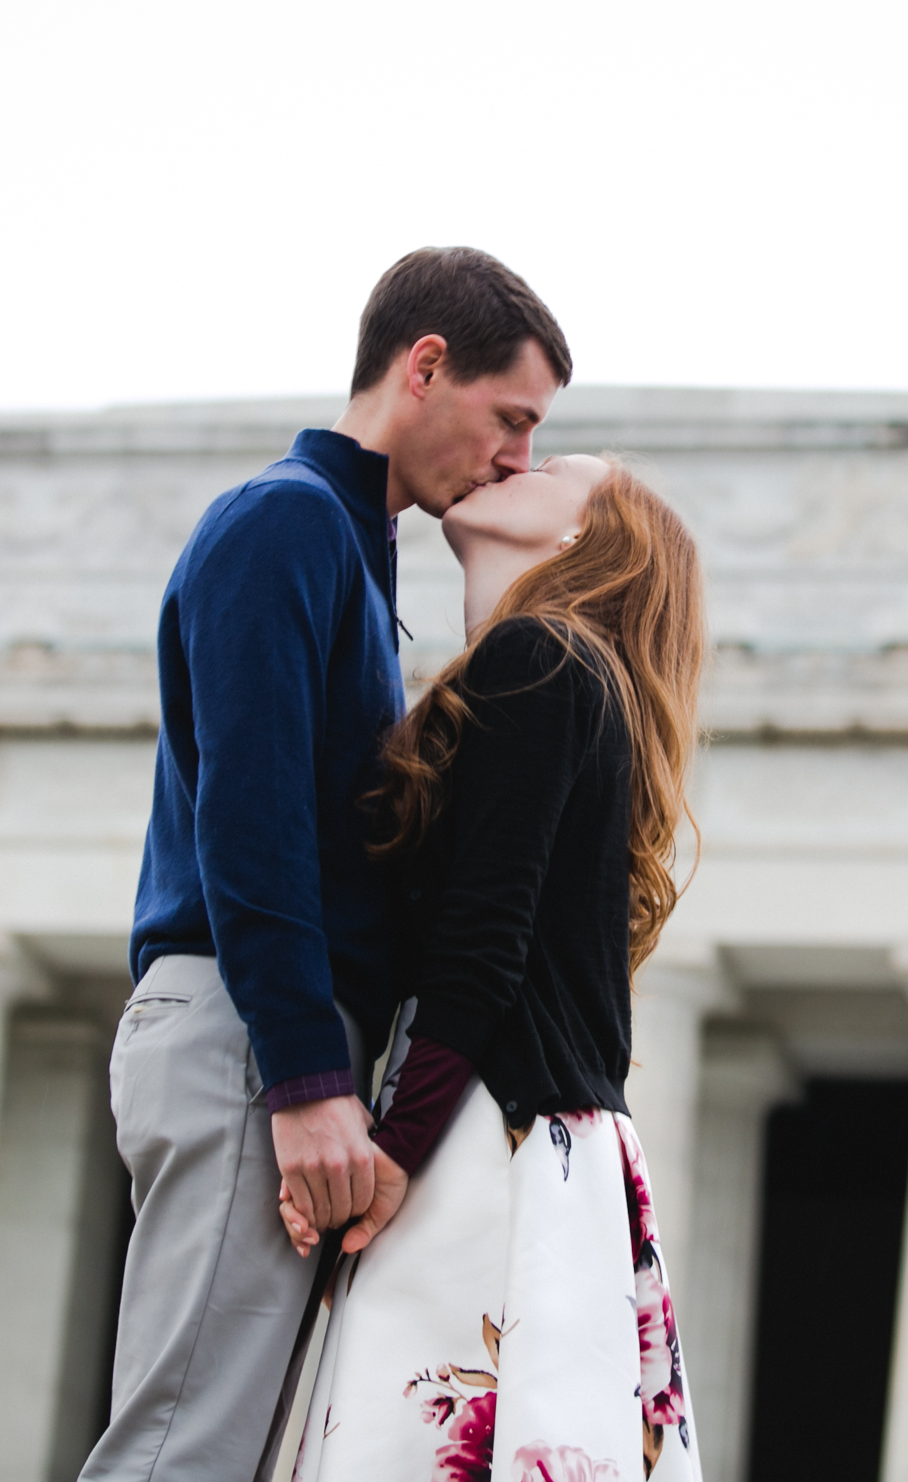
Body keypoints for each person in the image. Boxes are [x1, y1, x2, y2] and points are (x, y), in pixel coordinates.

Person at [82, 248, 572, 1482]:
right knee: (183, 1445)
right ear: (423, 368)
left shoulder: (353, 550)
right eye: (509, 417)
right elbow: (248, 824)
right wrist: (306, 1081)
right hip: (246, 1037)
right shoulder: (286, 521)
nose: (516, 455)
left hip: (269, 1038)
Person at [280, 452, 711, 1482]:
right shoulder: (571, 673)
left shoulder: (538, 655)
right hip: (559, 1149)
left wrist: (392, 1151)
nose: (514, 460)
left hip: (487, 1130)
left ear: (585, 537)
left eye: (554, 464)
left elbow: (485, 939)